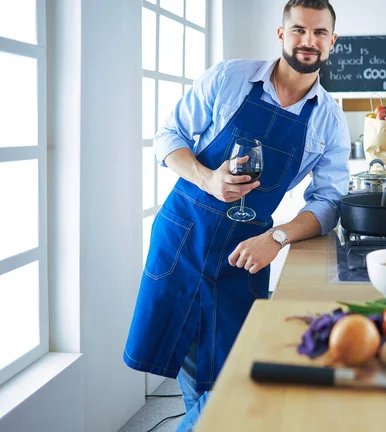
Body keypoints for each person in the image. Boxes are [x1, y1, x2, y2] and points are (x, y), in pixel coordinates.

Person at [123, 0, 349, 430]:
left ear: (332, 42)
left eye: (320, 33)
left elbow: (330, 201)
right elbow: (168, 135)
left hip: (246, 253)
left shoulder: (330, 121)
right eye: (299, 30)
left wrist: (278, 237)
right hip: (183, 238)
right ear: (281, 34)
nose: (309, 41)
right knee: (192, 363)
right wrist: (208, 178)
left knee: (227, 372)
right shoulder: (230, 78)